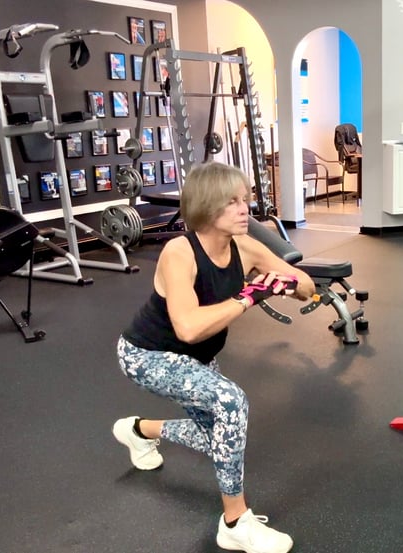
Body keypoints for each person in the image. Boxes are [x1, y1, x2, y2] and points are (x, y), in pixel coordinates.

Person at [113, 162, 315, 553]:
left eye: (245, 199)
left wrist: (286, 282)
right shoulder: (180, 252)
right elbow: (188, 328)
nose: (245, 210)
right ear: (206, 206)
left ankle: (138, 431)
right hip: (148, 355)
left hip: (197, 361)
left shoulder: (246, 246)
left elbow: (304, 285)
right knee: (230, 403)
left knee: (219, 439)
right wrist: (248, 297)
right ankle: (235, 522)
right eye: (232, 202)